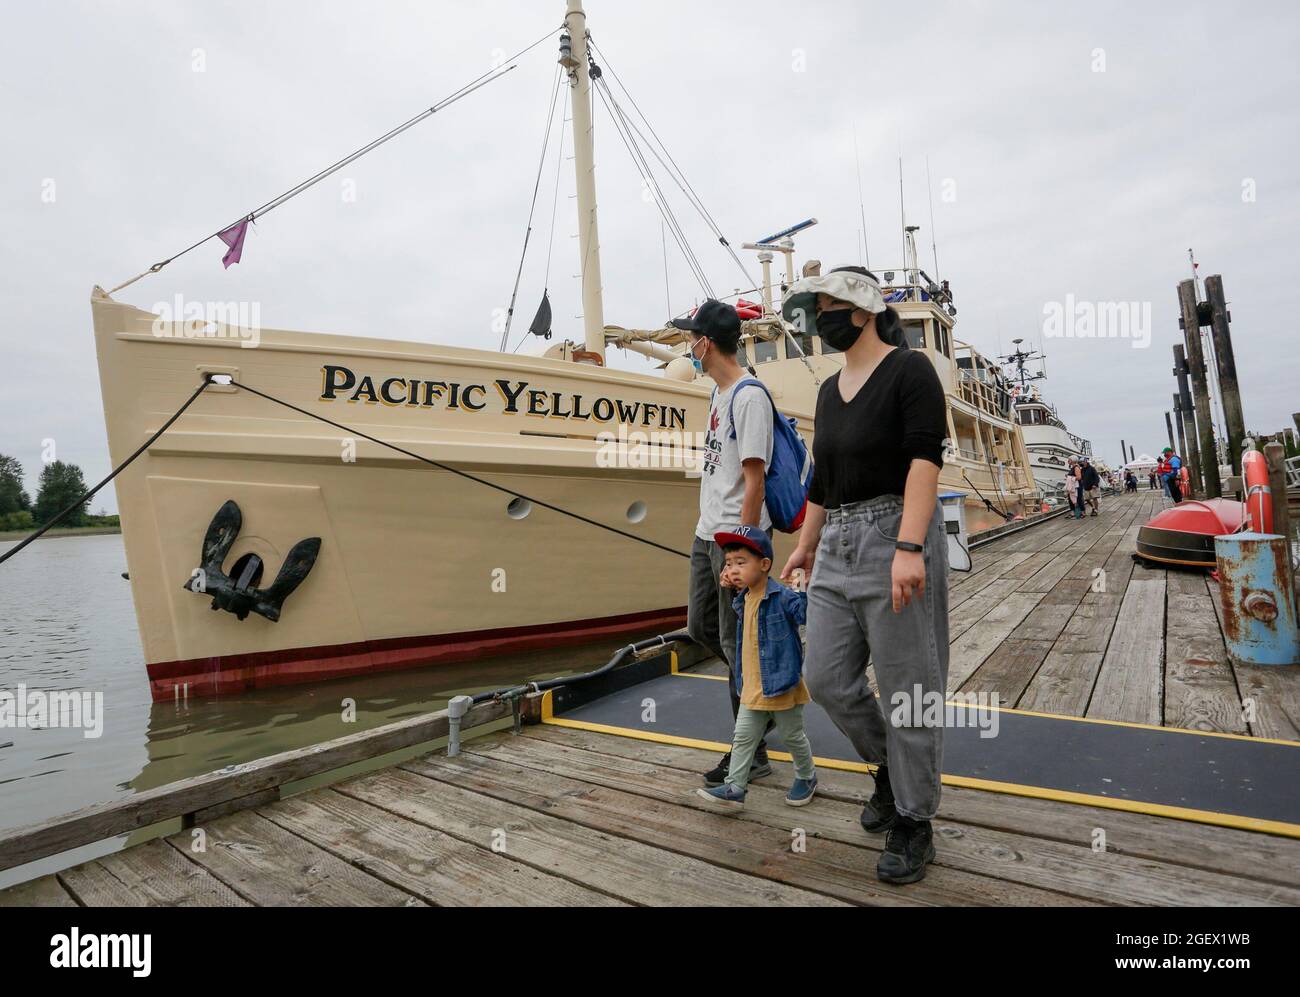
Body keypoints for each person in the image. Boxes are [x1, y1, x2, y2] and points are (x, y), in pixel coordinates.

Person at [778, 265, 949, 885]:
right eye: (816, 308)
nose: (820, 319)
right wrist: (804, 546)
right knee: (824, 675)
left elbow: (924, 459)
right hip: (837, 542)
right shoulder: (828, 390)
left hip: (891, 530)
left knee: (909, 685)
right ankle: (887, 768)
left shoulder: (910, 371)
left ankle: (914, 816)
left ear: (864, 309)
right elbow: (821, 480)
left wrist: (909, 545)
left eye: (829, 306)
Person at [674, 299, 776, 787]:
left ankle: (749, 748)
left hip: (733, 538)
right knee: (702, 626)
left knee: (737, 643)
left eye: (690, 338)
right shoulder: (717, 395)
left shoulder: (749, 397)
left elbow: (753, 481)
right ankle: (761, 700)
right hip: (705, 532)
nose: (687, 346)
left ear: (706, 343)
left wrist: (742, 552)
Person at [696, 526, 817, 811]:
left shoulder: (782, 597)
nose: (733, 569)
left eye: (741, 562)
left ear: (764, 565)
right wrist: (730, 585)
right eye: (728, 563)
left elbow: (805, 615)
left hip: (781, 685)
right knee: (743, 737)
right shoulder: (744, 598)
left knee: (792, 736)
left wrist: (800, 583)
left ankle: (806, 775)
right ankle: (735, 787)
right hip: (751, 686)